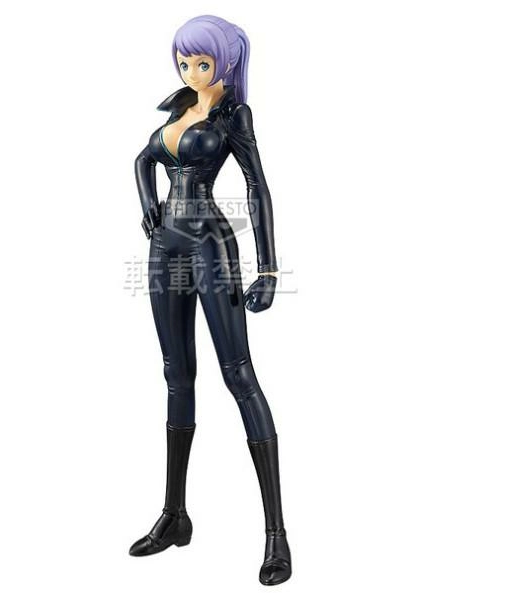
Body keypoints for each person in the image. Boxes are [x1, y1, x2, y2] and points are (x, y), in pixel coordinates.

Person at [129, 15, 292, 586]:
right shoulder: (178, 107)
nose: (191, 71)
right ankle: (175, 516)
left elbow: (257, 186)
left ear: (225, 61)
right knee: (176, 375)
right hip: (163, 250)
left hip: (209, 246)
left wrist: (268, 268)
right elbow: (142, 159)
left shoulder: (232, 115)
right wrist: (147, 205)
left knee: (238, 374)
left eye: (202, 62)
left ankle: (276, 535)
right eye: (184, 62)